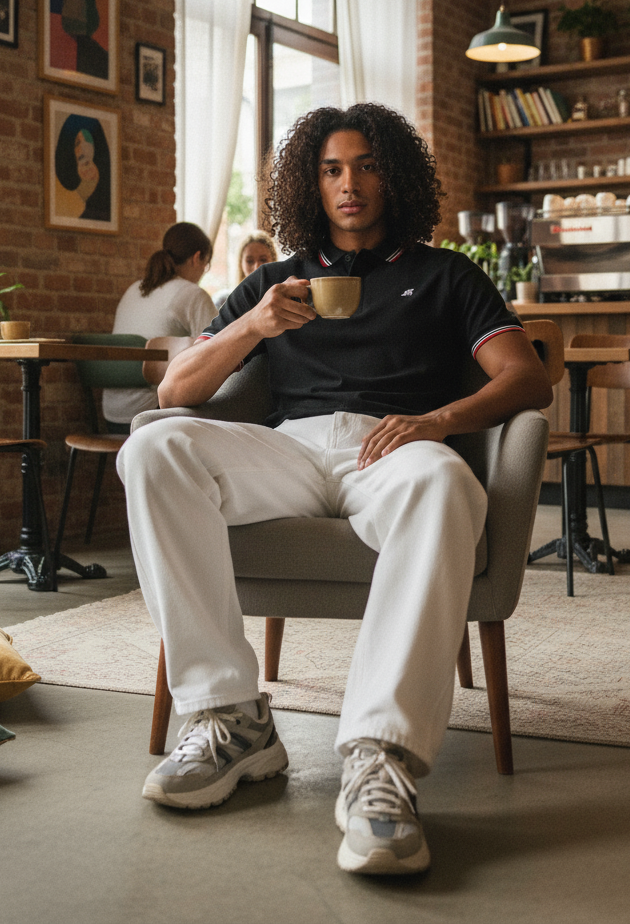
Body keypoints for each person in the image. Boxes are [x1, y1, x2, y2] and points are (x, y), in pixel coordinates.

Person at [116, 103, 552, 876]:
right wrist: (253, 327)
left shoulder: (447, 274)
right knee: (154, 448)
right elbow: (176, 389)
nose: (349, 184)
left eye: (366, 165)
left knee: (449, 488)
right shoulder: (274, 282)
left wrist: (439, 421)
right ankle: (231, 717)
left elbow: (527, 376)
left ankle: (380, 758)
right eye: (331, 169)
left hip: (393, 446)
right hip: (287, 451)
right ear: (308, 184)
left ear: (394, 174)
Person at [102, 223, 217, 430]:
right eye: (206, 264)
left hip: (111, 414)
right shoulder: (192, 294)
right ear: (197, 257)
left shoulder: (134, 289)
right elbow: (219, 350)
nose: (203, 272)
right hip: (151, 416)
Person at [212, 230, 279, 307]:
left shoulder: (283, 300)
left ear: (273, 260)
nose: (257, 267)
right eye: (250, 261)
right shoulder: (224, 302)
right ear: (241, 264)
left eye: (263, 260)